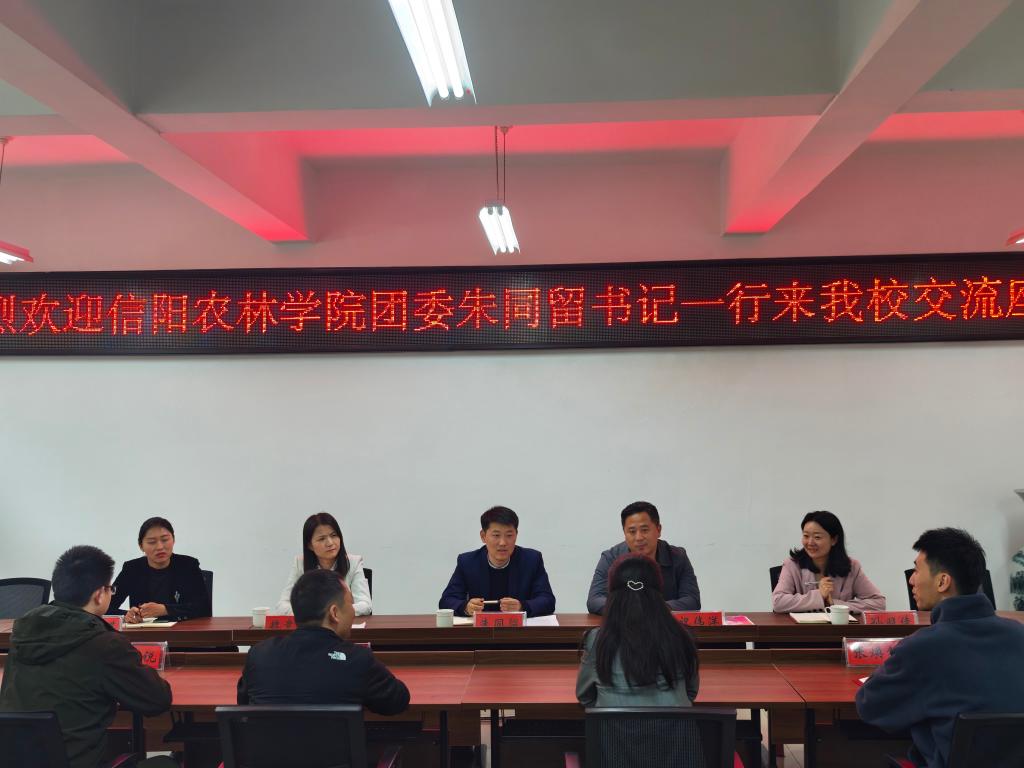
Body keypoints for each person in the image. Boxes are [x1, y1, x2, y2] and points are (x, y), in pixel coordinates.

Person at [856, 528, 1024, 767]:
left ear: (943, 581)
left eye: (916, 570)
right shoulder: (1019, 634)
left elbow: (870, 705)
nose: (911, 580)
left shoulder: (922, 647)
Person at [0, 545, 174, 768]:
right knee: (165, 764)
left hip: (17, 761)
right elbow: (157, 701)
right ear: (99, 594)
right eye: (111, 588)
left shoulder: (23, 633)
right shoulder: (104, 644)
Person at [238, 569, 409, 713]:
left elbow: (244, 703)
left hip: (269, 745)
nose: (353, 612)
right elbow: (398, 701)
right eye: (351, 604)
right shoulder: (357, 659)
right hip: (334, 745)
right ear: (334, 613)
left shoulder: (259, 654)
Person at [577, 553, 699, 707]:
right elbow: (691, 692)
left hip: (613, 723)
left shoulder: (597, 639)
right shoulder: (681, 635)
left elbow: (585, 697)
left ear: (612, 597)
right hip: (674, 723)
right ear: (658, 593)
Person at [439, 506, 556, 617]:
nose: (503, 543)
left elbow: (547, 600)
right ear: (483, 536)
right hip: (481, 629)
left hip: (517, 629)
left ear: (516, 535)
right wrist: (466, 607)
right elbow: (446, 601)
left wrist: (522, 606)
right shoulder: (467, 562)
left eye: (509, 535)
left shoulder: (531, 560)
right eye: (496, 535)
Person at [587, 501, 700, 615]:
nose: (639, 538)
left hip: (663, 623)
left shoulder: (678, 556)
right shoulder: (611, 558)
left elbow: (692, 600)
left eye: (645, 530)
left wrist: (653, 608)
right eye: (632, 531)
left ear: (659, 530)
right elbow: (595, 600)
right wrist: (630, 609)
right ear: (624, 533)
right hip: (624, 623)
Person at [771, 510, 885, 614]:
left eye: (817, 537)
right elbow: (778, 602)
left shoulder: (852, 567)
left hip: (839, 629)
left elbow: (878, 603)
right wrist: (819, 596)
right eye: (806, 536)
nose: (810, 542)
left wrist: (835, 605)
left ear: (834, 540)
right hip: (800, 629)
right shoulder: (792, 564)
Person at [111, 516, 211, 622]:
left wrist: (166, 610)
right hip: (144, 631)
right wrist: (127, 615)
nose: (160, 547)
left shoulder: (188, 565)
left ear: (173, 540)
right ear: (141, 546)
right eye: (152, 542)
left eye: (165, 540)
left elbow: (204, 608)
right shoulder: (131, 569)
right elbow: (106, 607)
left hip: (182, 629)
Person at [276, 512, 372, 616]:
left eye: (334, 535)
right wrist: (309, 615)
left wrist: (330, 614)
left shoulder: (354, 562)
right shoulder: (300, 563)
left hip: (343, 624)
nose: (330, 543)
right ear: (310, 545)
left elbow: (365, 605)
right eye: (322, 539)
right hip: (312, 625)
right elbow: (282, 605)